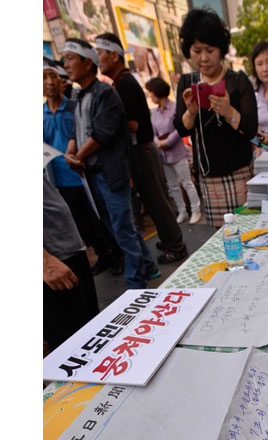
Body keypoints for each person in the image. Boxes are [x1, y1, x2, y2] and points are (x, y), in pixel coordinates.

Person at [62, 38, 159, 289]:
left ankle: (137, 284)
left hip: (110, 172)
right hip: (92, 173)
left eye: (70, 58)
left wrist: (78, 156)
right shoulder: (81, 96)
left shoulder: (105, 92)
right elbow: (76, 132)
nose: (66, 64)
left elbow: (102, 134)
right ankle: (148, 265)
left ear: (87, 62)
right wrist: (71, 151)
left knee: (122, 226)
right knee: (119, 224)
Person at [95, 33, 188, 265]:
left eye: (100, 53)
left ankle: (176, 245)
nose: (98, 59)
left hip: (143, 150)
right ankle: (168, 240)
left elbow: (135, 124)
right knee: (153, 199)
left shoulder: (125, 83)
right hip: (139, 151)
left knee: (157, 200)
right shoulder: (120, 82)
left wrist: (108, 122)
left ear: (114, 56)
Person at [174, 8, 258, 228]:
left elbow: (250, 129)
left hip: (240, 173)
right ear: (188, 50)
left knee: (249, 231)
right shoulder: (186, 83)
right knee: (222, 241)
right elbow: (182, 129)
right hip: (209, 178)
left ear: (221, 50)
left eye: (210, 50)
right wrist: (191, 111)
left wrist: (229, 112)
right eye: (197, 50)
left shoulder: (238, 81)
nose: (203, 58)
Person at [43, 58, 123, 277]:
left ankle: (117, 254)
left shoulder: (74, 107)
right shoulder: (40, 114)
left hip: (82, 174)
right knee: (81, 225)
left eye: (53, 76)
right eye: (43, 77)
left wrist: (76, 155)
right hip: (58, 180)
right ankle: (103, 256)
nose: (49, 82)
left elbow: (86, 134)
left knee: (101, 219)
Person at [44, 173, 99, 352]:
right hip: (52, 262)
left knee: (92, 334)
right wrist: (44, 261)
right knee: (75, 348)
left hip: (67, 248)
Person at [145, 76, 203, 225]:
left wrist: (167, 142)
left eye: (151, 92)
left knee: (186, 182)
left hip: (177, 153)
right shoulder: (155, 112)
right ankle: (182, 211)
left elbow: (180, 128)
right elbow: (152, 132)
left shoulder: (175, 107)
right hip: (163, 156)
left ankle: (195, 209)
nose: (150, 96)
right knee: (172, 186)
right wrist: (159, 143)